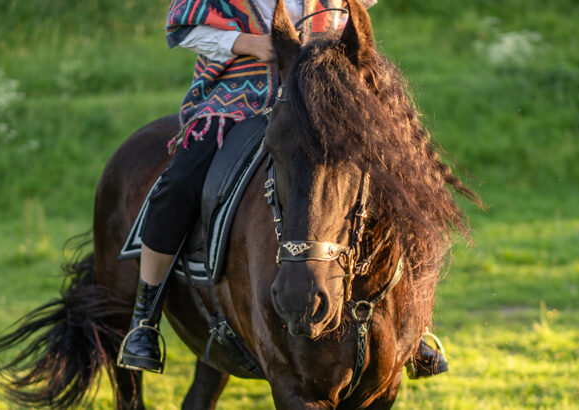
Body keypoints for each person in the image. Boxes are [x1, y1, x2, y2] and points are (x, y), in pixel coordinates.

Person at [117, 0, 448, 379]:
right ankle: (145, 318)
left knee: (405, 178)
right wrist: (249, 44)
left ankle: (415, 322)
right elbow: (185, 28)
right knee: (178, 184)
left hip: (325, 97)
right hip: (239, 100)